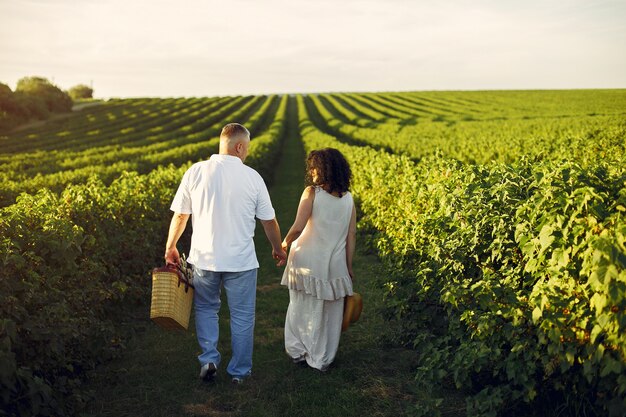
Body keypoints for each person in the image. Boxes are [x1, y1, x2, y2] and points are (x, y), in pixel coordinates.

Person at [164, 123, 287, 384]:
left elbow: (181, 215)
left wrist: (171, 246)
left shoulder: (195, 172)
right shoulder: (252, 177)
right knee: (242, 316)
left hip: (204, 259)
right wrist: (277, 249)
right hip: (241, 261)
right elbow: (269, 221)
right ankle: (239, 373)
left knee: (207, 309)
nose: (248, 154)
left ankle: (209, 359)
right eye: (247, 149)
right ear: (239, 146)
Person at [280, 148, 357, 372]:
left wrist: (283, 245)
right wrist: (349, 266)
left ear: (326, 169)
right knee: (331, 314)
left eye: (315, 167)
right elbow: (351, 235)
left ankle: (298, 351)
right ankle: (322, 358)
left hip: (306, 259)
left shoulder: (311, 193)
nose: (311, 171)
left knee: (300, 307)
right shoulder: (349, 199)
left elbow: (298, 226)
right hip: (335, 264)